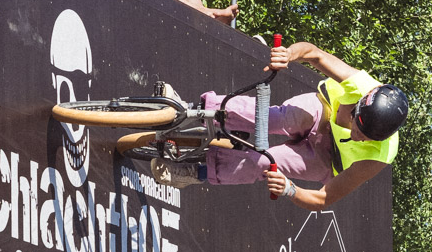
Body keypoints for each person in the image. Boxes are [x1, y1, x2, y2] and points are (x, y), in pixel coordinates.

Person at [149, 41, 408, 209]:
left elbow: (325, 198)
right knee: (280, 118)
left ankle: (196, 173)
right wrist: (288, 55)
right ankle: (191, 109)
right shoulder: (361, 85)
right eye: (356, 125)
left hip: (327, 159)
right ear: (360, 104)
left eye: (363, 138)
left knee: (265, 163)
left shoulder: (379, 156)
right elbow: (315, 54)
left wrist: (290, 189)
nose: (356, 135)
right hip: (321, 113)